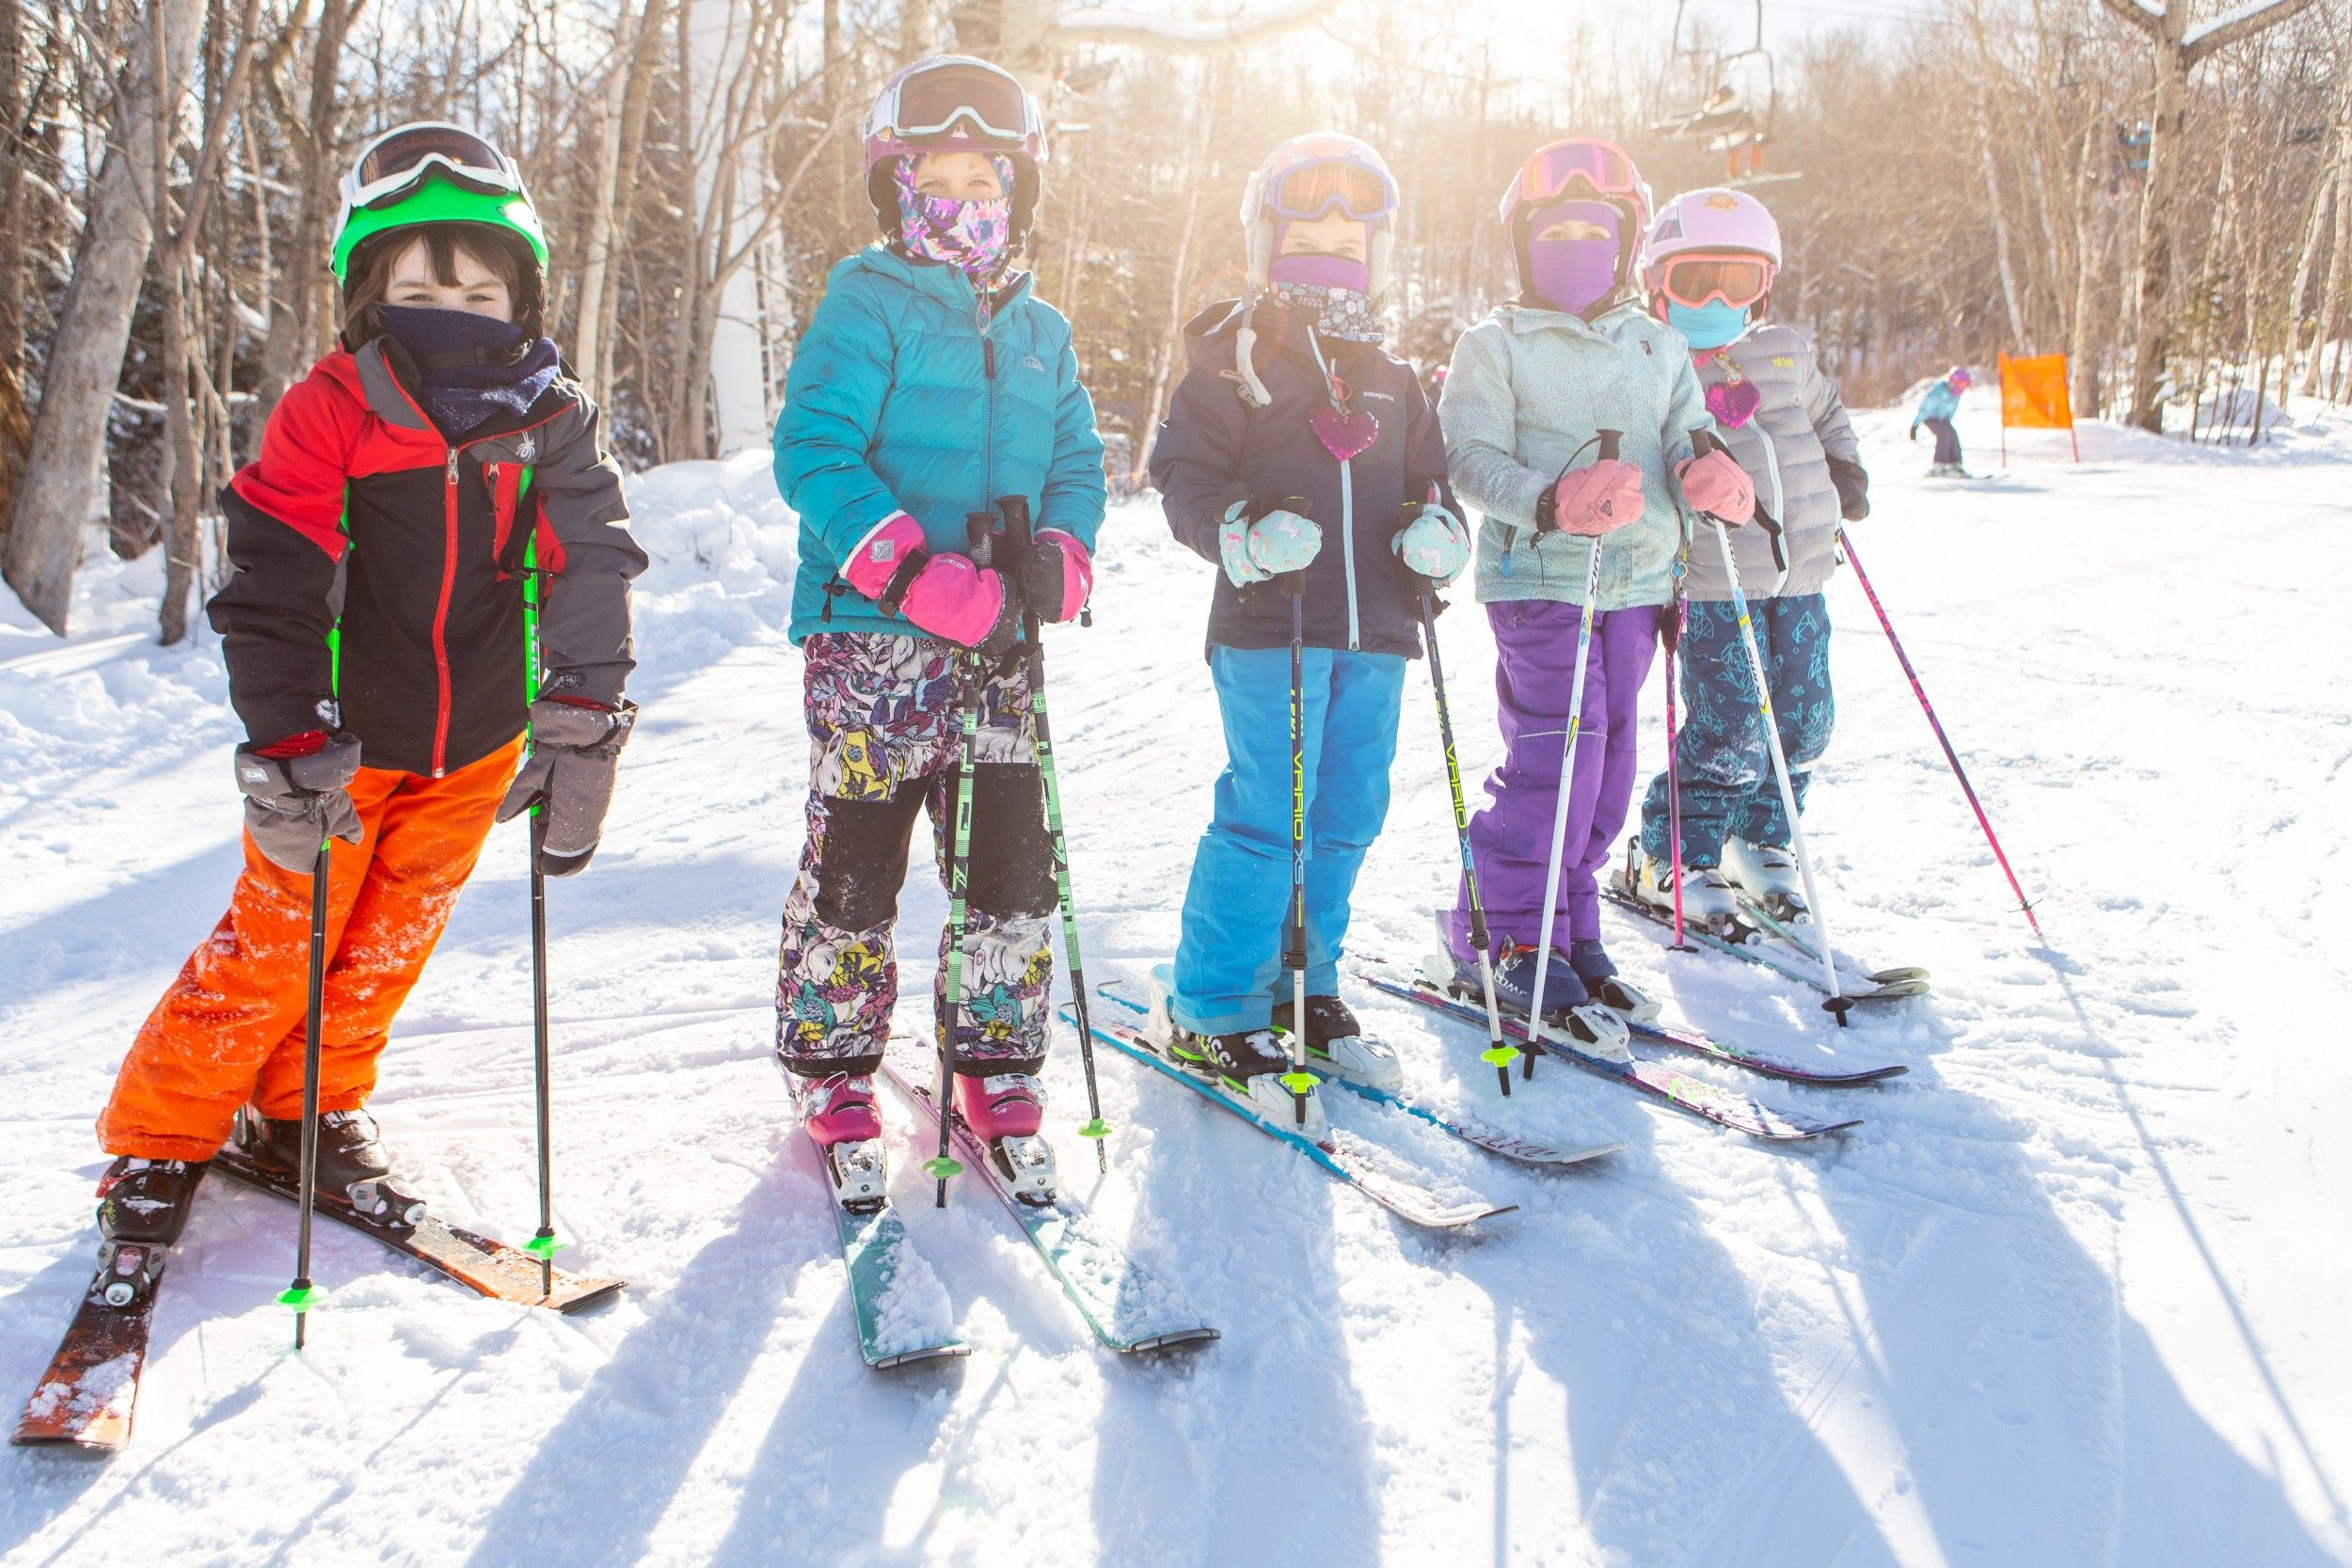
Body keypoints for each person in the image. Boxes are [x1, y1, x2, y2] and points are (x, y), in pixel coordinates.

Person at [89, 123, 644, 1249]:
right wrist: (287, 740)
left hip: (477, 741)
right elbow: (273, 576)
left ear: (521, 295)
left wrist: (581, 712)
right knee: (281, 937)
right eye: (420, 281)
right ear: (367, 291)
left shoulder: (550, 418)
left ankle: (308, 1111)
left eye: (481, 286)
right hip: (344, 746)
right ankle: (163, 1131)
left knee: (390, 940)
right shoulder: (333, 406)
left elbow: (591, 555)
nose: (453, 303)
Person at [771, 55, 1104, 1205]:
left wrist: (1063, 549)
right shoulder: (865, 300)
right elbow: (811, 447)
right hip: (878, 637)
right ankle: (832, 1065)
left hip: (1003, 638)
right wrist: (907, 567)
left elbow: (1077, 458)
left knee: (1012, 860)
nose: (964, 193)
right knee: (859, 862)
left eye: (986, 172)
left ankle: (1000, 1063)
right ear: (896, 183)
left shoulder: (1043, 326)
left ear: (1020, 187)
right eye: (940, 171)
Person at [1145, 133, 1467, 1131]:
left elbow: (1430, 481)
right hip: (1268, 624)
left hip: (1379, 632)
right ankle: (1210, 1000)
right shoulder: (1237, 357)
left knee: (1347, 810)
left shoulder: (1395, 376)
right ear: (1267, 235)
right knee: (1266, 814)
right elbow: (1183, 476)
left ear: (1378, 246)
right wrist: (1237, 531)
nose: (1331, 241)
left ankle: (1303, 978)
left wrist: (1435, 530)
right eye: (1307, 222)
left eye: (1350, 226)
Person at [1437, 138, 1755, 1049]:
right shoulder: (1493, 344)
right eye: (1556, 230)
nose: (1576, 246)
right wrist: (1547, 497)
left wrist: (1712, 472)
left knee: (1609, 771)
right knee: (1553, 763)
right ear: (1522, 242)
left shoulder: (1655, 342)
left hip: (1637, 584)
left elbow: (1688, 430)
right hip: (1542, 580)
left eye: (1595, 230)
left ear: (1623, 245)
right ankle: (1498, 931)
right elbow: (1468, 457)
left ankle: (1572, 927)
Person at [1625, 187, 1870, 926]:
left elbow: (1825, 411)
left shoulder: (1786, 351)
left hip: (1801, 575)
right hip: (1713, 580)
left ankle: (1759, 841)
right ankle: (1671, 852)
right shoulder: (1655, 363)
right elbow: (1645, 452)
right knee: (1730, 724)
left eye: (1740, 280)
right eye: (1696, 280)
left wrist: (1844, 465)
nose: (1719, 297)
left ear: (1765, 285)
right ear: (1658, 286)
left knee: (1804, 719)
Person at [1913, 365, 1973, 476]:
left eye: (1964, 385)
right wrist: (1915, 425)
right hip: (1930, 418)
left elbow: (1951, 412)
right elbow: (1925, 409)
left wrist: (1947, 423)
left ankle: (1955, 464)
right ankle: (1938, 465)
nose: (1962, 389)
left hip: (1943, 420)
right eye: (1960, 385)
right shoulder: (1938, 392)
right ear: (1952, 381)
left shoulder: (1956, 395)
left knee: (1952, 433)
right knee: (1943, 434)